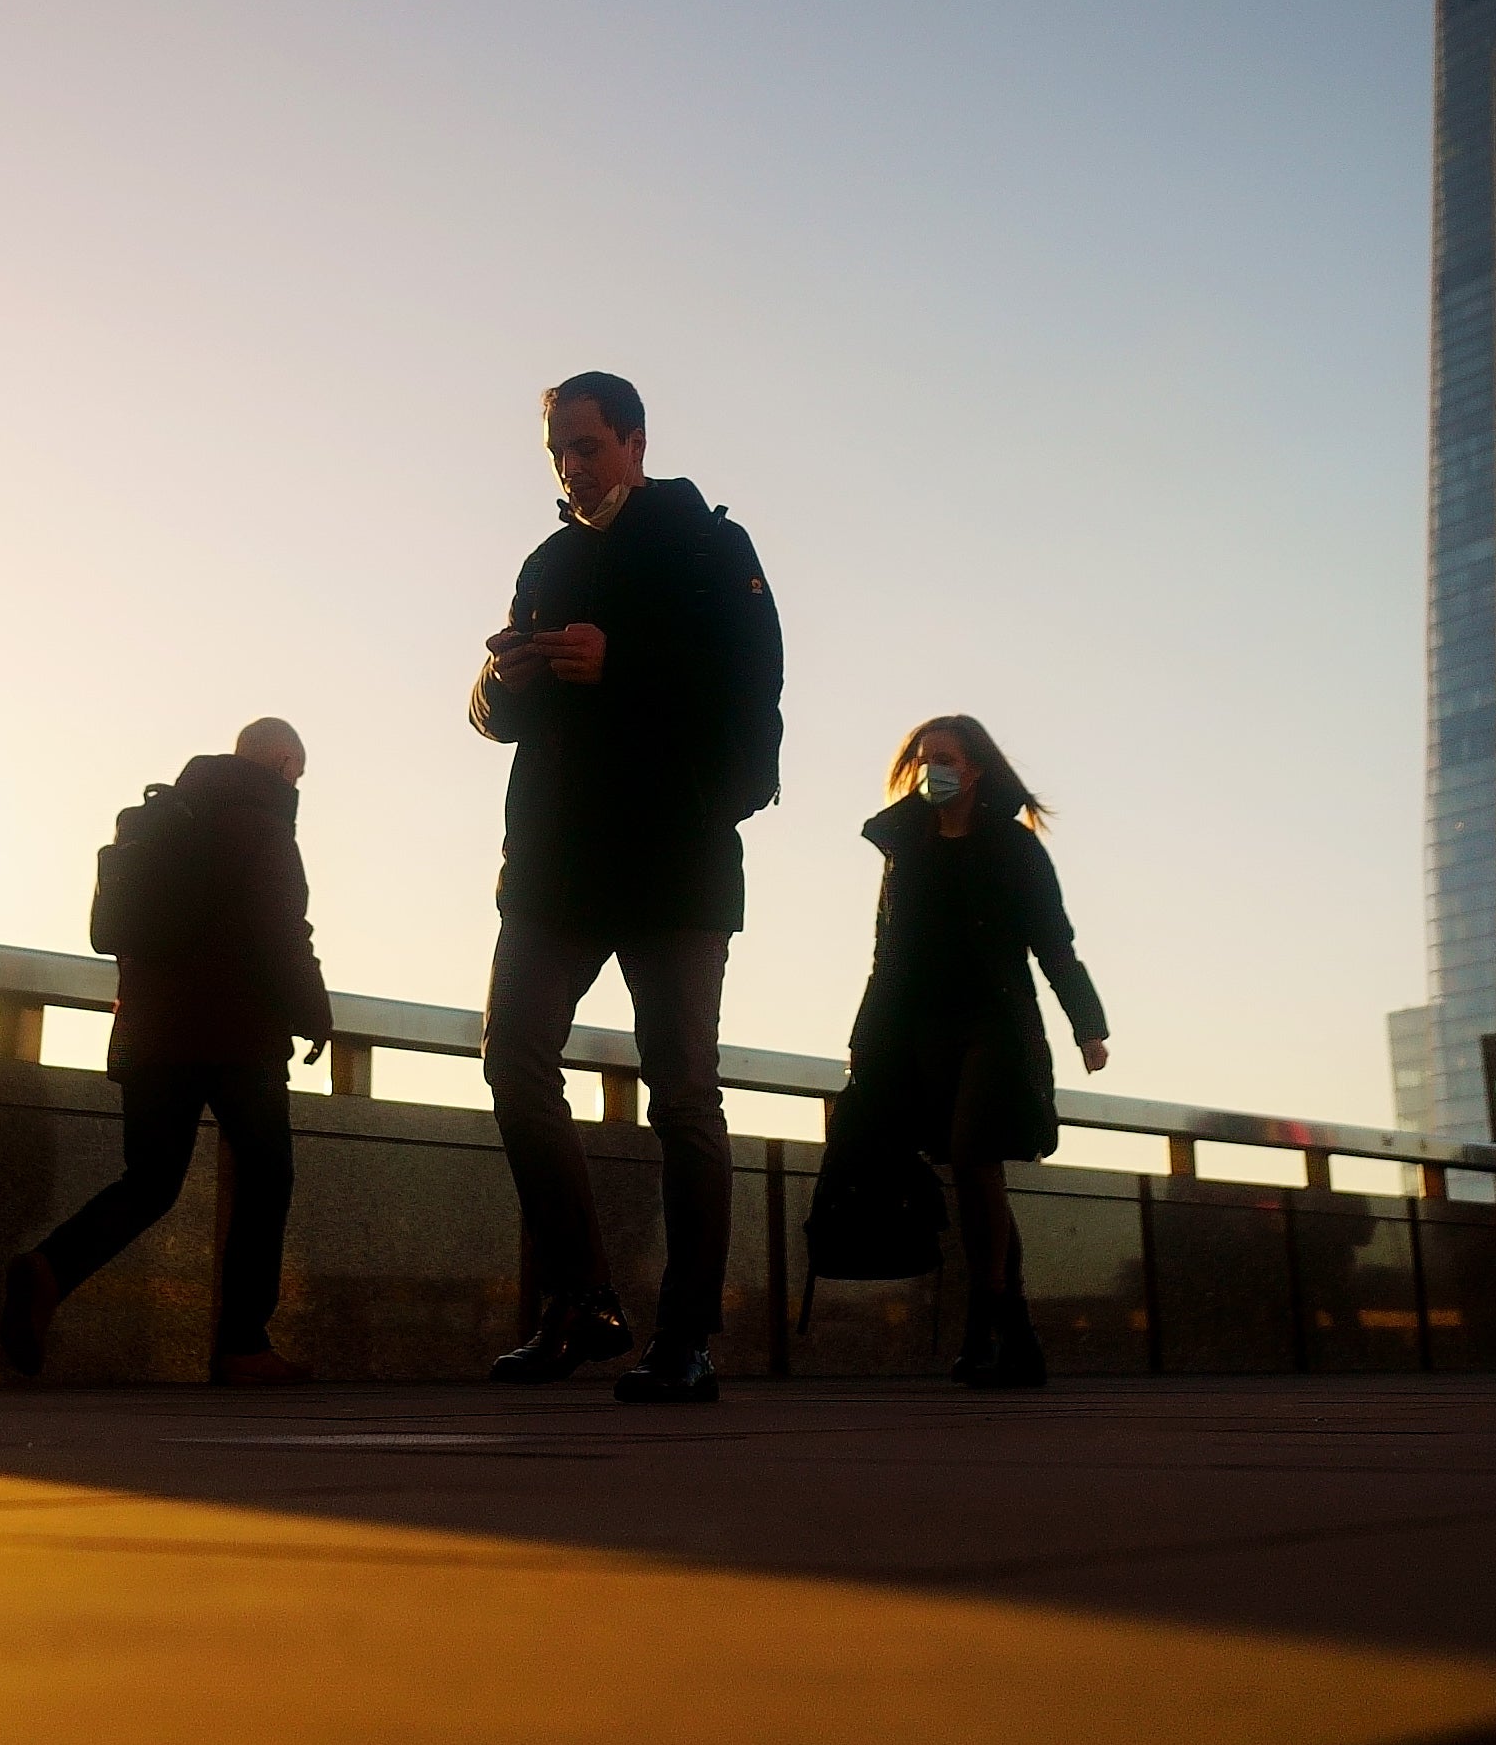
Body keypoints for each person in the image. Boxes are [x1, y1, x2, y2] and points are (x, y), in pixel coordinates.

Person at [469, 372, 785, 1403]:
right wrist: (495, 682)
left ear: (635, 442)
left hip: (671, 860)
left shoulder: (706, 546)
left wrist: (623, 661)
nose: (572, 465)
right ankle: (581, 1300)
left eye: (589, 445)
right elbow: (491, 717)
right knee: (512, 1061)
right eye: (559, 449)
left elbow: (752, 685)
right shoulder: (545, 562)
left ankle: (684, 1334)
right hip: (556, 863)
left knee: (683, 1091)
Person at [0, 720, 334, 1386]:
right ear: (283, 760)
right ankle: (243, 1345)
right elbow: (280, 928)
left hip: (151, 1031)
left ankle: (49, 1267)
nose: (297, 782)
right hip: (237, 1033)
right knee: (266, 1179)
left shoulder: (160, 820)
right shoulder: (260, 823)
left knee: (149, 1181)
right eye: (296, 769)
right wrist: (312, 1011)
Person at [841, 717, 1110, 1390]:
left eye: (947, 758)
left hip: (994, 1025)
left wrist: (1088, 1026)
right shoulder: (908, 847)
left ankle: (983, 1326)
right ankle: (1015, 1332)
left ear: (975, 768)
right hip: (921, 1030)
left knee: (971, 1154)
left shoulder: (1012, 848)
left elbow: (1053, 942)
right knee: (971, 1170)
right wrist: (864, 1039)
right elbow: (886, 954)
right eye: (926, 758)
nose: (934, 769)